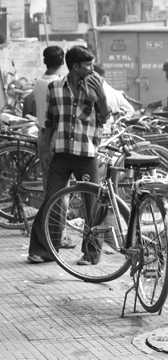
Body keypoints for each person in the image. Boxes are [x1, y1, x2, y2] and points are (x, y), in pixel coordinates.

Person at [27, 46, 110, 265]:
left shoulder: (95, 86)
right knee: (51, 200)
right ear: (75, 67)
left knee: (92, 205)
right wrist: (45, 151)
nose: (92, 69)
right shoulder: (55, 88)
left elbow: (104, 117)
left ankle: (91, 254)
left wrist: (101, 96)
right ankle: (44, 250)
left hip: (87, 154)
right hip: (62, 154)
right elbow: (51, 122)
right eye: (88, 65)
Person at [33, 46, 65, 191]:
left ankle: (50, 213)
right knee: (61, 188)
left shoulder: (39, 82)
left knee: (49, 184)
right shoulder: (59, 84)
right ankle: (57, 214)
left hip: (42, 134)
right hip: (54, 136)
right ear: (62, 62)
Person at [93, 63, 134, 130]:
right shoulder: (116, 93)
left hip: (96, 133)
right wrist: (119, 120)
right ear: (104, 75)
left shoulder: (90, 92)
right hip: (112, 133)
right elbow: (130, 110)